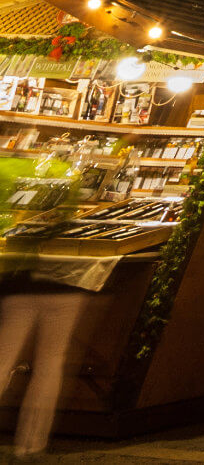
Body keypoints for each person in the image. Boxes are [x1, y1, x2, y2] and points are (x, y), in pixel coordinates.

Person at [0, 152, 86, 458]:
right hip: (64, 283)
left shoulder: (9, 174)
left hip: (20, 282)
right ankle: (31, 444)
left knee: (2, 360)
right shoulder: (67, 176)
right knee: (51, 364)